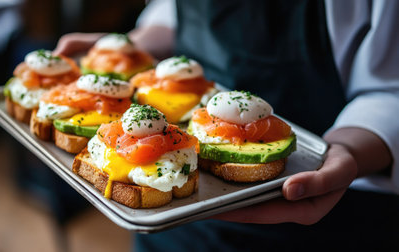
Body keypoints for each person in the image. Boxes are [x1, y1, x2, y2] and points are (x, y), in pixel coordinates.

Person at [54, 0, 399, 250]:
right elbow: (176, 11)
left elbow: (390, 90)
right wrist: (136, 48)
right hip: (171, 229)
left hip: (331, 223)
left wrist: (349, 150)